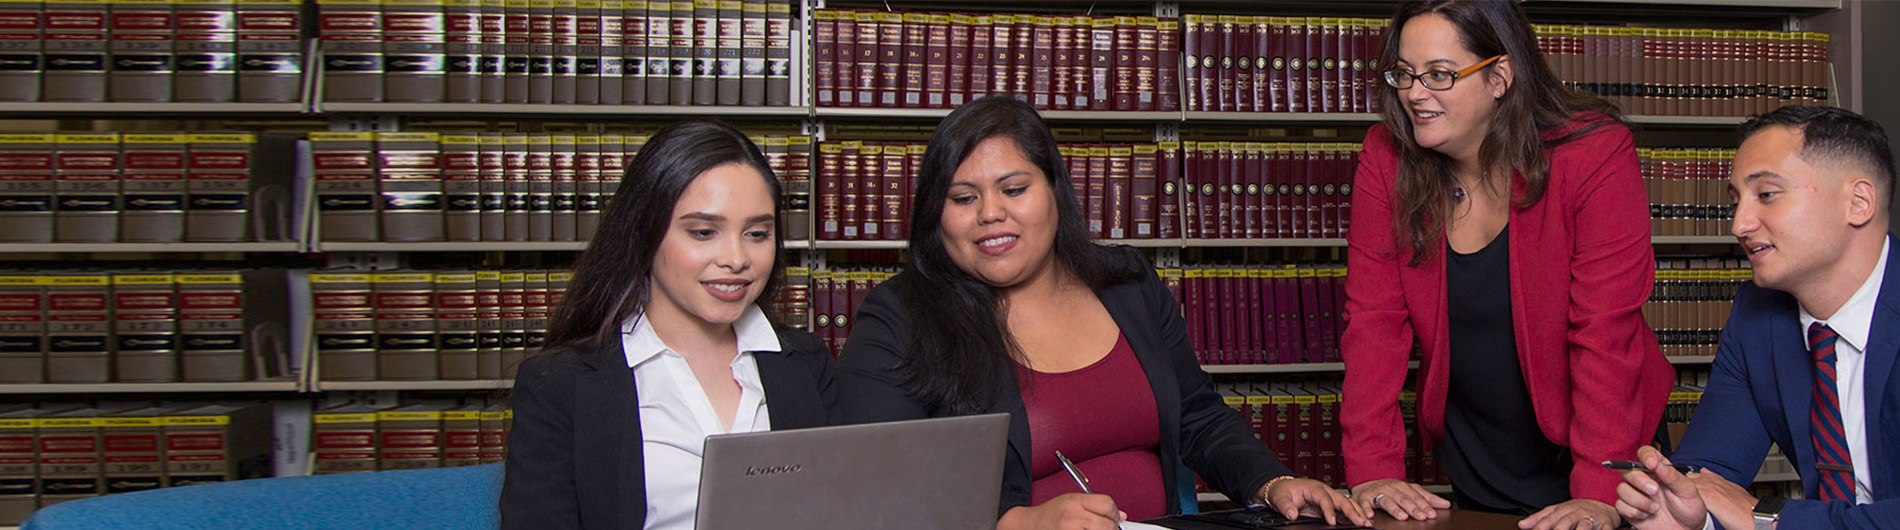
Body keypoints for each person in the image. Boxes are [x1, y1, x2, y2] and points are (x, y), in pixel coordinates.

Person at [837, 95, 1369, 530]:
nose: (991, 213)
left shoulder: (1127, 283)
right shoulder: (898, 319)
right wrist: (1015, 524)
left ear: (1055, 191)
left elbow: (1198, 415)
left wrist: (1272, 484)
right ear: (936, 216)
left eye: (1014, 189)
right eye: (962, 198)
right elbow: (879, 490)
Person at [1340, 1, 1673, 528]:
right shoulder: (1387, 155)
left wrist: (1599, 492)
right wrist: (1372, 470)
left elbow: (1605, 332)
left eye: (1440, 75)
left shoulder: (1594, 153)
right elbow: (1373, 323)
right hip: (1476, 456)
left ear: (1500, 76)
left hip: (1601, 452)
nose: (1414, 93)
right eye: (1403, 73)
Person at [499, 121, 839, 530]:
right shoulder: (560, 385)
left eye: (756, 233)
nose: (736, 258)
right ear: (645, 234)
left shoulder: (806, 364)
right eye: (703, 232)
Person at [1615, 106, 1900, 530]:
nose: (1739, 224)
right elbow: (1708, 472)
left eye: (1766, 195)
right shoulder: (1757, 315)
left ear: (1858, 202)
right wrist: (1687, 514)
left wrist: (1769, 519)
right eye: (1735, 201)